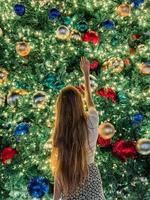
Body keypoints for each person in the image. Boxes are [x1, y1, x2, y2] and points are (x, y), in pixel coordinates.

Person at [50, 57, 105, 200]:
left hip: (71, 182)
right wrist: (86, 74)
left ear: (60, 109)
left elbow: (59, 170)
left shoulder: (61, 132)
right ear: (80, 104)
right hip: (92, 179)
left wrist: (56, 198)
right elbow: (90, 102)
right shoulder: (92, 121)